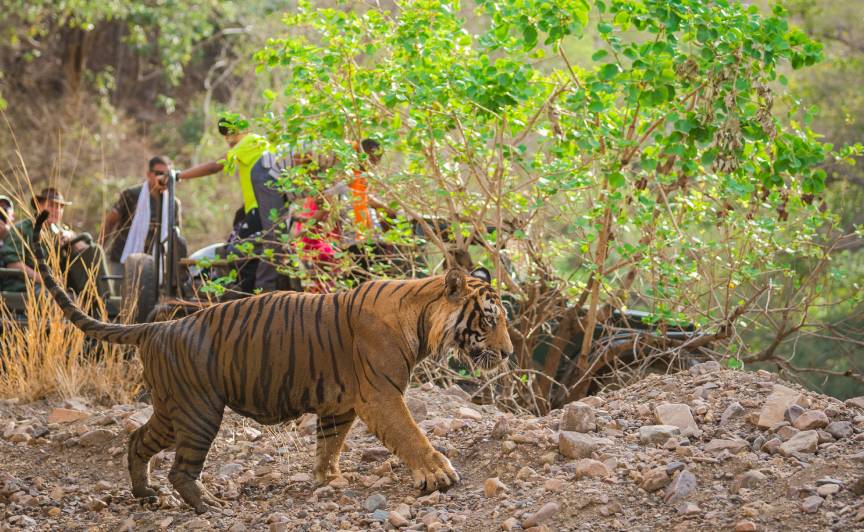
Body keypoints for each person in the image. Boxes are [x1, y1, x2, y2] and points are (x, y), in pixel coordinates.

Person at [176, 117, 291, 292]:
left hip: (259, 209)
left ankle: (249, 295)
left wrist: (179, 175)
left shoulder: (250, 141)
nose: (228, 139)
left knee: (239, 251)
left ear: (239, 132)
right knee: (253, 251)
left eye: (229, 134)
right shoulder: (259, 143)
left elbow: (216, 166)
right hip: (260, 208)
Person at [0, 188, 110, 306]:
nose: (56, 210)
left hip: (56, 285)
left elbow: (85, 249)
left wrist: (72, 238)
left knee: (94, 250)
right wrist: (46, 280)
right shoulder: (21, 229)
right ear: (38, 206)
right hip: (26, 284)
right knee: (64, 301)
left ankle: (103, 303)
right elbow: (14, 264)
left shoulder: (60, 230)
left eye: (60, 207)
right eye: (52, 205)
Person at [102, 156, 186, 285]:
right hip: (123, 258)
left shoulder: (173, 204)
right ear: (148, 174)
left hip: (155, 265)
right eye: (158, 173)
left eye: (167, 174)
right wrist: (100, 251)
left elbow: (175, 237)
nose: (163, 177)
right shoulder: (131, 195)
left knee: (148, 301)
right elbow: (110, 222)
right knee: (120, 299)